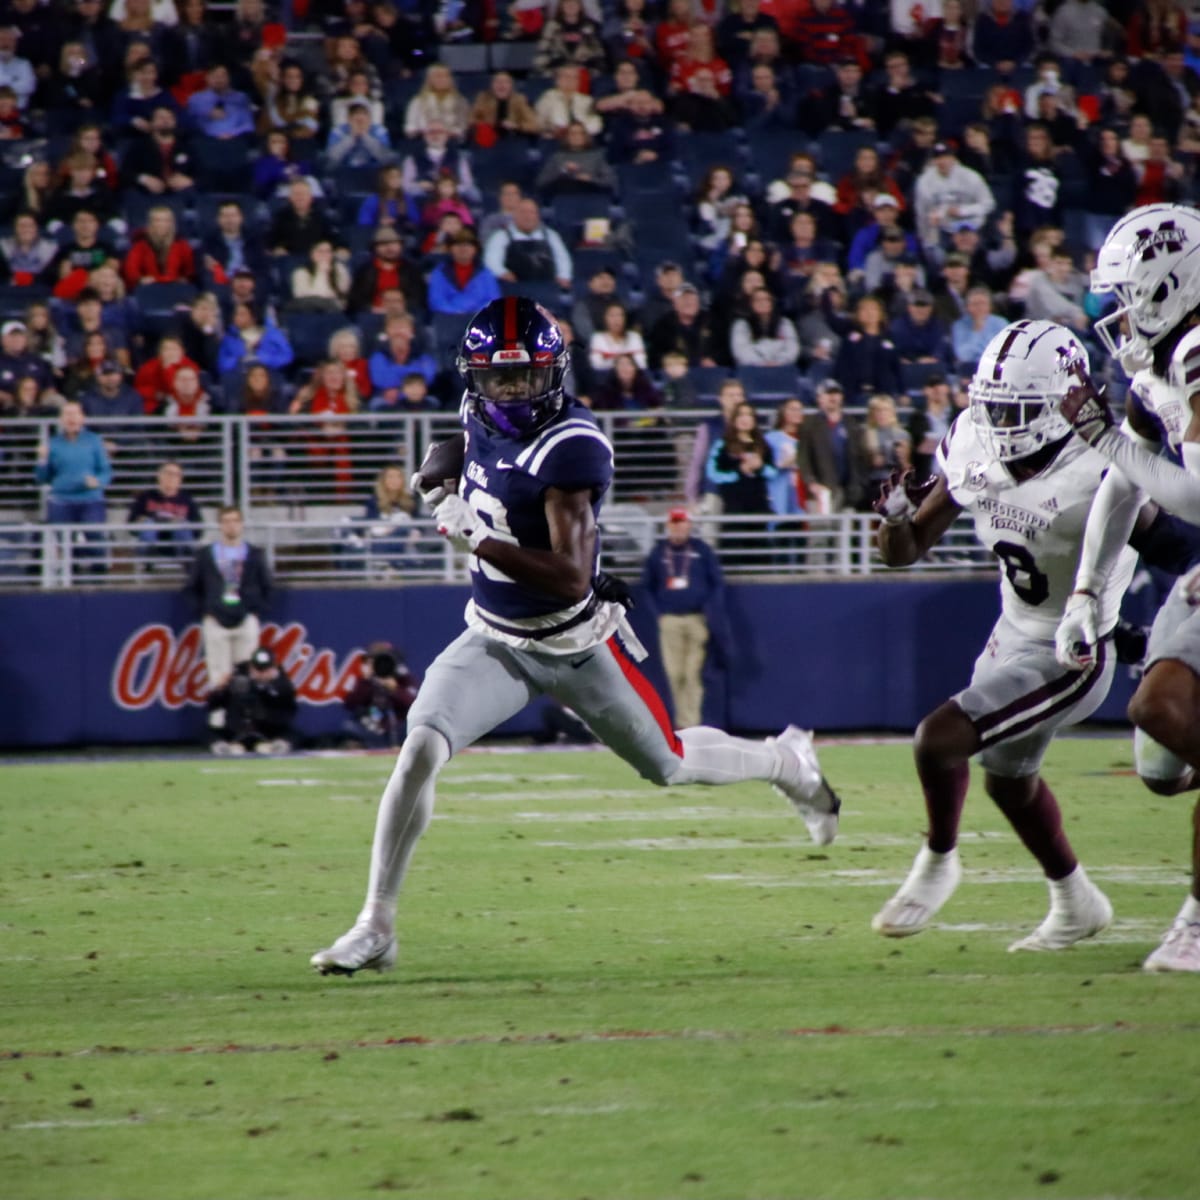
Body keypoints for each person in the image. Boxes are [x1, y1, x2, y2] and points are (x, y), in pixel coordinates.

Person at [309, 297, 841, 976]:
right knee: (418, 749)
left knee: (669, 763)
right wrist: (434, 470)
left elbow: (567, 577)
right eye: (497, 378)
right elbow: (466, 444)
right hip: (495, 641)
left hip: (575, 643)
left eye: (524, 376)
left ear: (553, 371)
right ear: (474, 376)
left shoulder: (572, 445)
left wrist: (479, 535)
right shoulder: (478, 410)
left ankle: (787, 763)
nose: (510, 390)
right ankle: (375, 924)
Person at [871, 320, 1132, 951]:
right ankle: (1076, 903)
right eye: (992, 406)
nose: (1002, 423)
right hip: (1012, 629)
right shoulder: (972, 441)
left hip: (1073, 649)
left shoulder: (1104, 464)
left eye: (1017, 409)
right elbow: (905, 551)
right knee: (1007, 782)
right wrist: (896, 517)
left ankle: (938, 862)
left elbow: (1174, 540)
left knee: (939, 740)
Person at [1053, 202, 1200, 971]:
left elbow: (1199, 496)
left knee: (1157, 704)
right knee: (1159, 755)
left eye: (1130, 293)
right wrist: (1086, 593)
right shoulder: (1163, 361)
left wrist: (1106, 436)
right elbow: (1124, 480)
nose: (1119, 312)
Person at [640, 508, 729, 729]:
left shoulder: (701, 550)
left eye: (682, 524)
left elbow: (716, 582)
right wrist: (658, 614)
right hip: (670, 620)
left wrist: (710, 609)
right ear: (668, 526)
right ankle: (682, 722)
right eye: (674, 524)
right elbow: (647, 587)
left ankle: (690, 724)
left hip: (697, 618)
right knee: (674, 673)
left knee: (693, 673)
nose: (679, 528)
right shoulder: (658, 553)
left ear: (689, 526)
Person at [186, 504, 273, 691]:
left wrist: (254, 610)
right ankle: (218, 720)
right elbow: (192, 588)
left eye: (235, 521)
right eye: (226, 521)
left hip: (245, 618)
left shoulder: (255, 554)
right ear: (220, 525)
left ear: (241, 524)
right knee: (218, 677)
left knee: (248, 674)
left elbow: (267, 585)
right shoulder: (205, 555)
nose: (231, 525)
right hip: (216, 619)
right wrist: (206, 611)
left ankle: (245, 718)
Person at [34, 399, 111, 572]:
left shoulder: (94, 440)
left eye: (75, 414)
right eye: (67, 414)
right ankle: (72, 577)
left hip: (90, 500)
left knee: (96, 539)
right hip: (61, 501)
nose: (71, 418)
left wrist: (98, 482)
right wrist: (42, 460)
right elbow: (42, 479)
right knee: (65, 544)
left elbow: (106, 471)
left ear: (82, 418)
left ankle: (99, 579)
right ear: (61, 419)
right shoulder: (52, 443)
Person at [208, 646, 297, 756]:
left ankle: (280, 745)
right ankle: (221, 746)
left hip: (267, 730)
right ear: (250, 666)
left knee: (294, 733)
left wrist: (267, 692)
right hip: (238, 730)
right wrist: (219, 689)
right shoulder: (238, 678)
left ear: (273, 667)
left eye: (266, 669)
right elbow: (212, 706)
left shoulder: (282, 684)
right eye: (258, 669)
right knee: (206, 731)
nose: (261, 673)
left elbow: (289, 713)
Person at [342, 642, 420, 749]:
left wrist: (395, 690)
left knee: (415, 727)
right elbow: (349, 704)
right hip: (374, 725)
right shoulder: (366, 680)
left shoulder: (403, 678)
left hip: (399, 725)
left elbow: (414, 703)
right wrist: (365, 681)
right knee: (350, 726)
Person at [127, 459, 201, 567]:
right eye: (168, 473)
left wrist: (180, 522)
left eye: (176, 475)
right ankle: (149, 558)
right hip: (151, 544)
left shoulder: (188, 500)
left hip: (178, 545)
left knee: (182, 525)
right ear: (159, 476)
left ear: (180, 479)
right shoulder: (145, 497)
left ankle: (188, 560)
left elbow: (199, 531)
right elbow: (131, 525)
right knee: (148, 524)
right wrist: (144, 520)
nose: (172, 478)